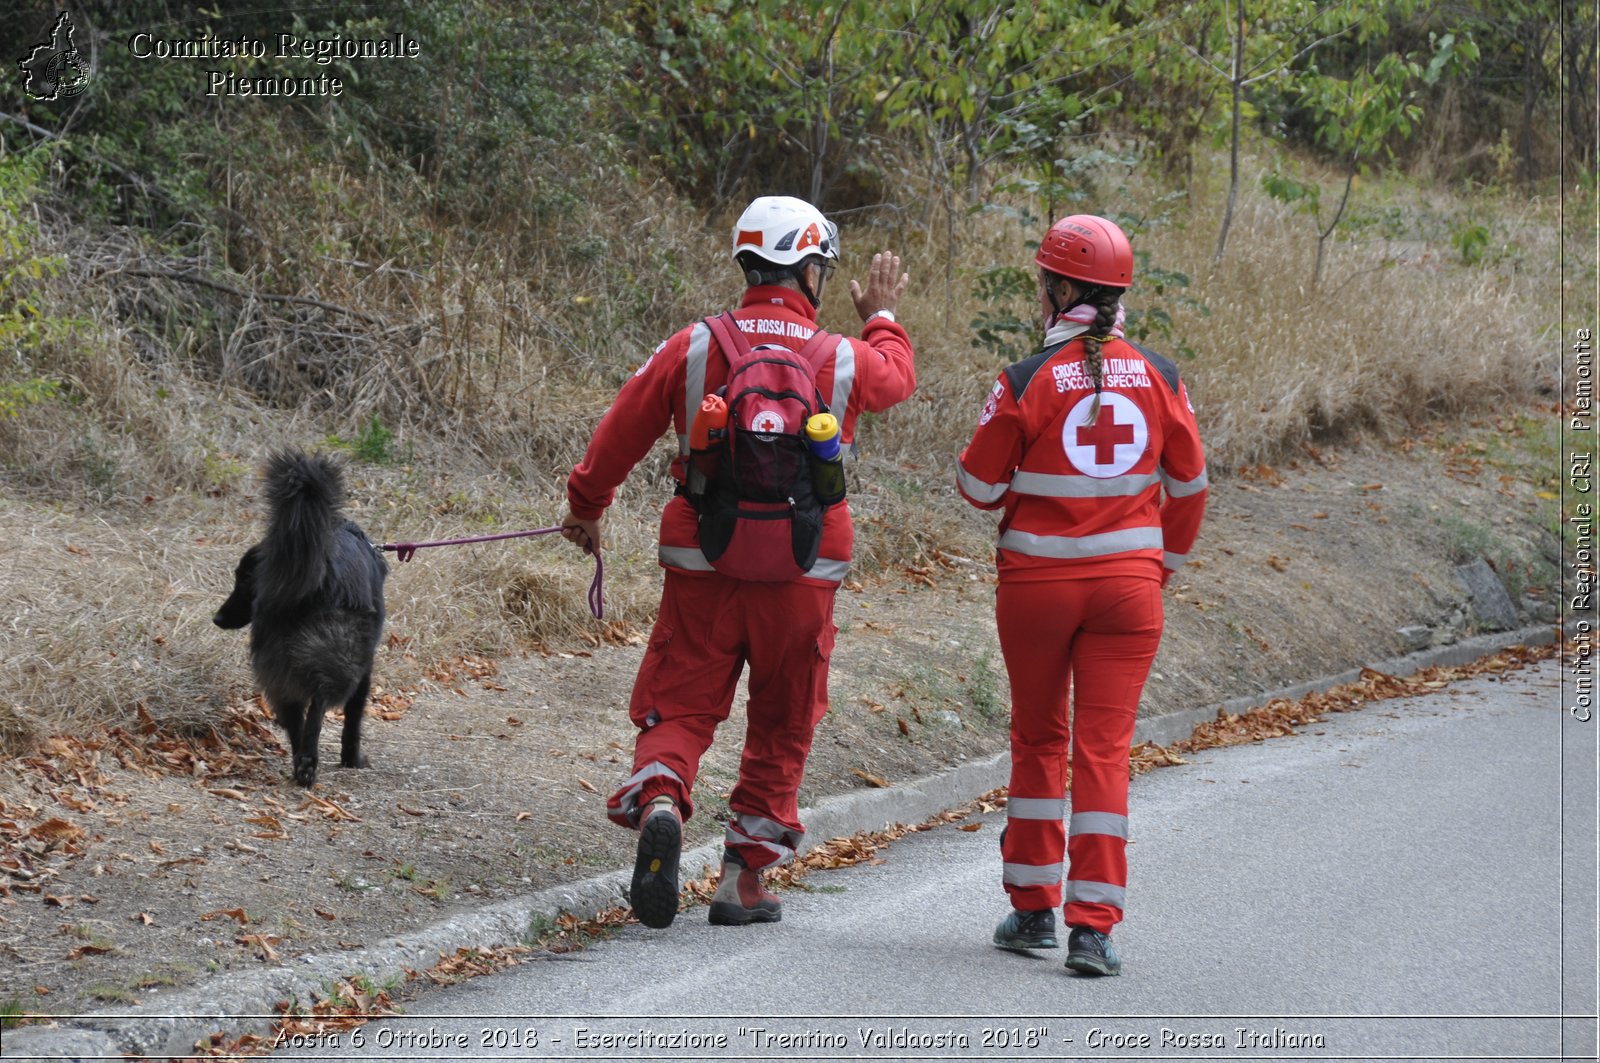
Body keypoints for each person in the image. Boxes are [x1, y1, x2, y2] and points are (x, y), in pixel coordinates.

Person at [561, 195, 915, 929]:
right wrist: (880, 314)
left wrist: (586, 505)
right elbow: (895, 379)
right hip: (804, 566)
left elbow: (622, 424)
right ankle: (742, 880)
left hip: (703, 554)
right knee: (785, 715)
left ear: (749, 263)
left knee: (683, 695)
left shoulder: (695, 344)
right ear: (810, 270)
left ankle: (661, 795)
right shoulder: (843, 357)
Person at [956, 214, 1207, 976]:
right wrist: (1159, 562)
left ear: (1060, 289)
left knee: (1038, 739)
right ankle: (1092, 928)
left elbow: (976, 487)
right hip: (1130, 591)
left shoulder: (1026, 378)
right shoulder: (1161, 375)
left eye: (1043, 280)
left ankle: (1032, 907)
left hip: (1036, 588)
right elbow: (1190, 487)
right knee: (1104, 751)